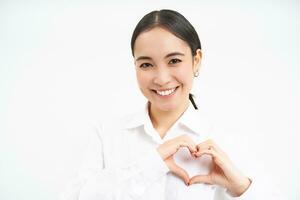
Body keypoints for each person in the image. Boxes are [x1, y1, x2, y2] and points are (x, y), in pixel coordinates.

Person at [60, 9, 281, 200]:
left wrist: (241, 188)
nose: (162, 78)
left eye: (174, 61)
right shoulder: (106, 134)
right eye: (146, 64)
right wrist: (151, 163)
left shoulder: (226, 138)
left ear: (196, 60)